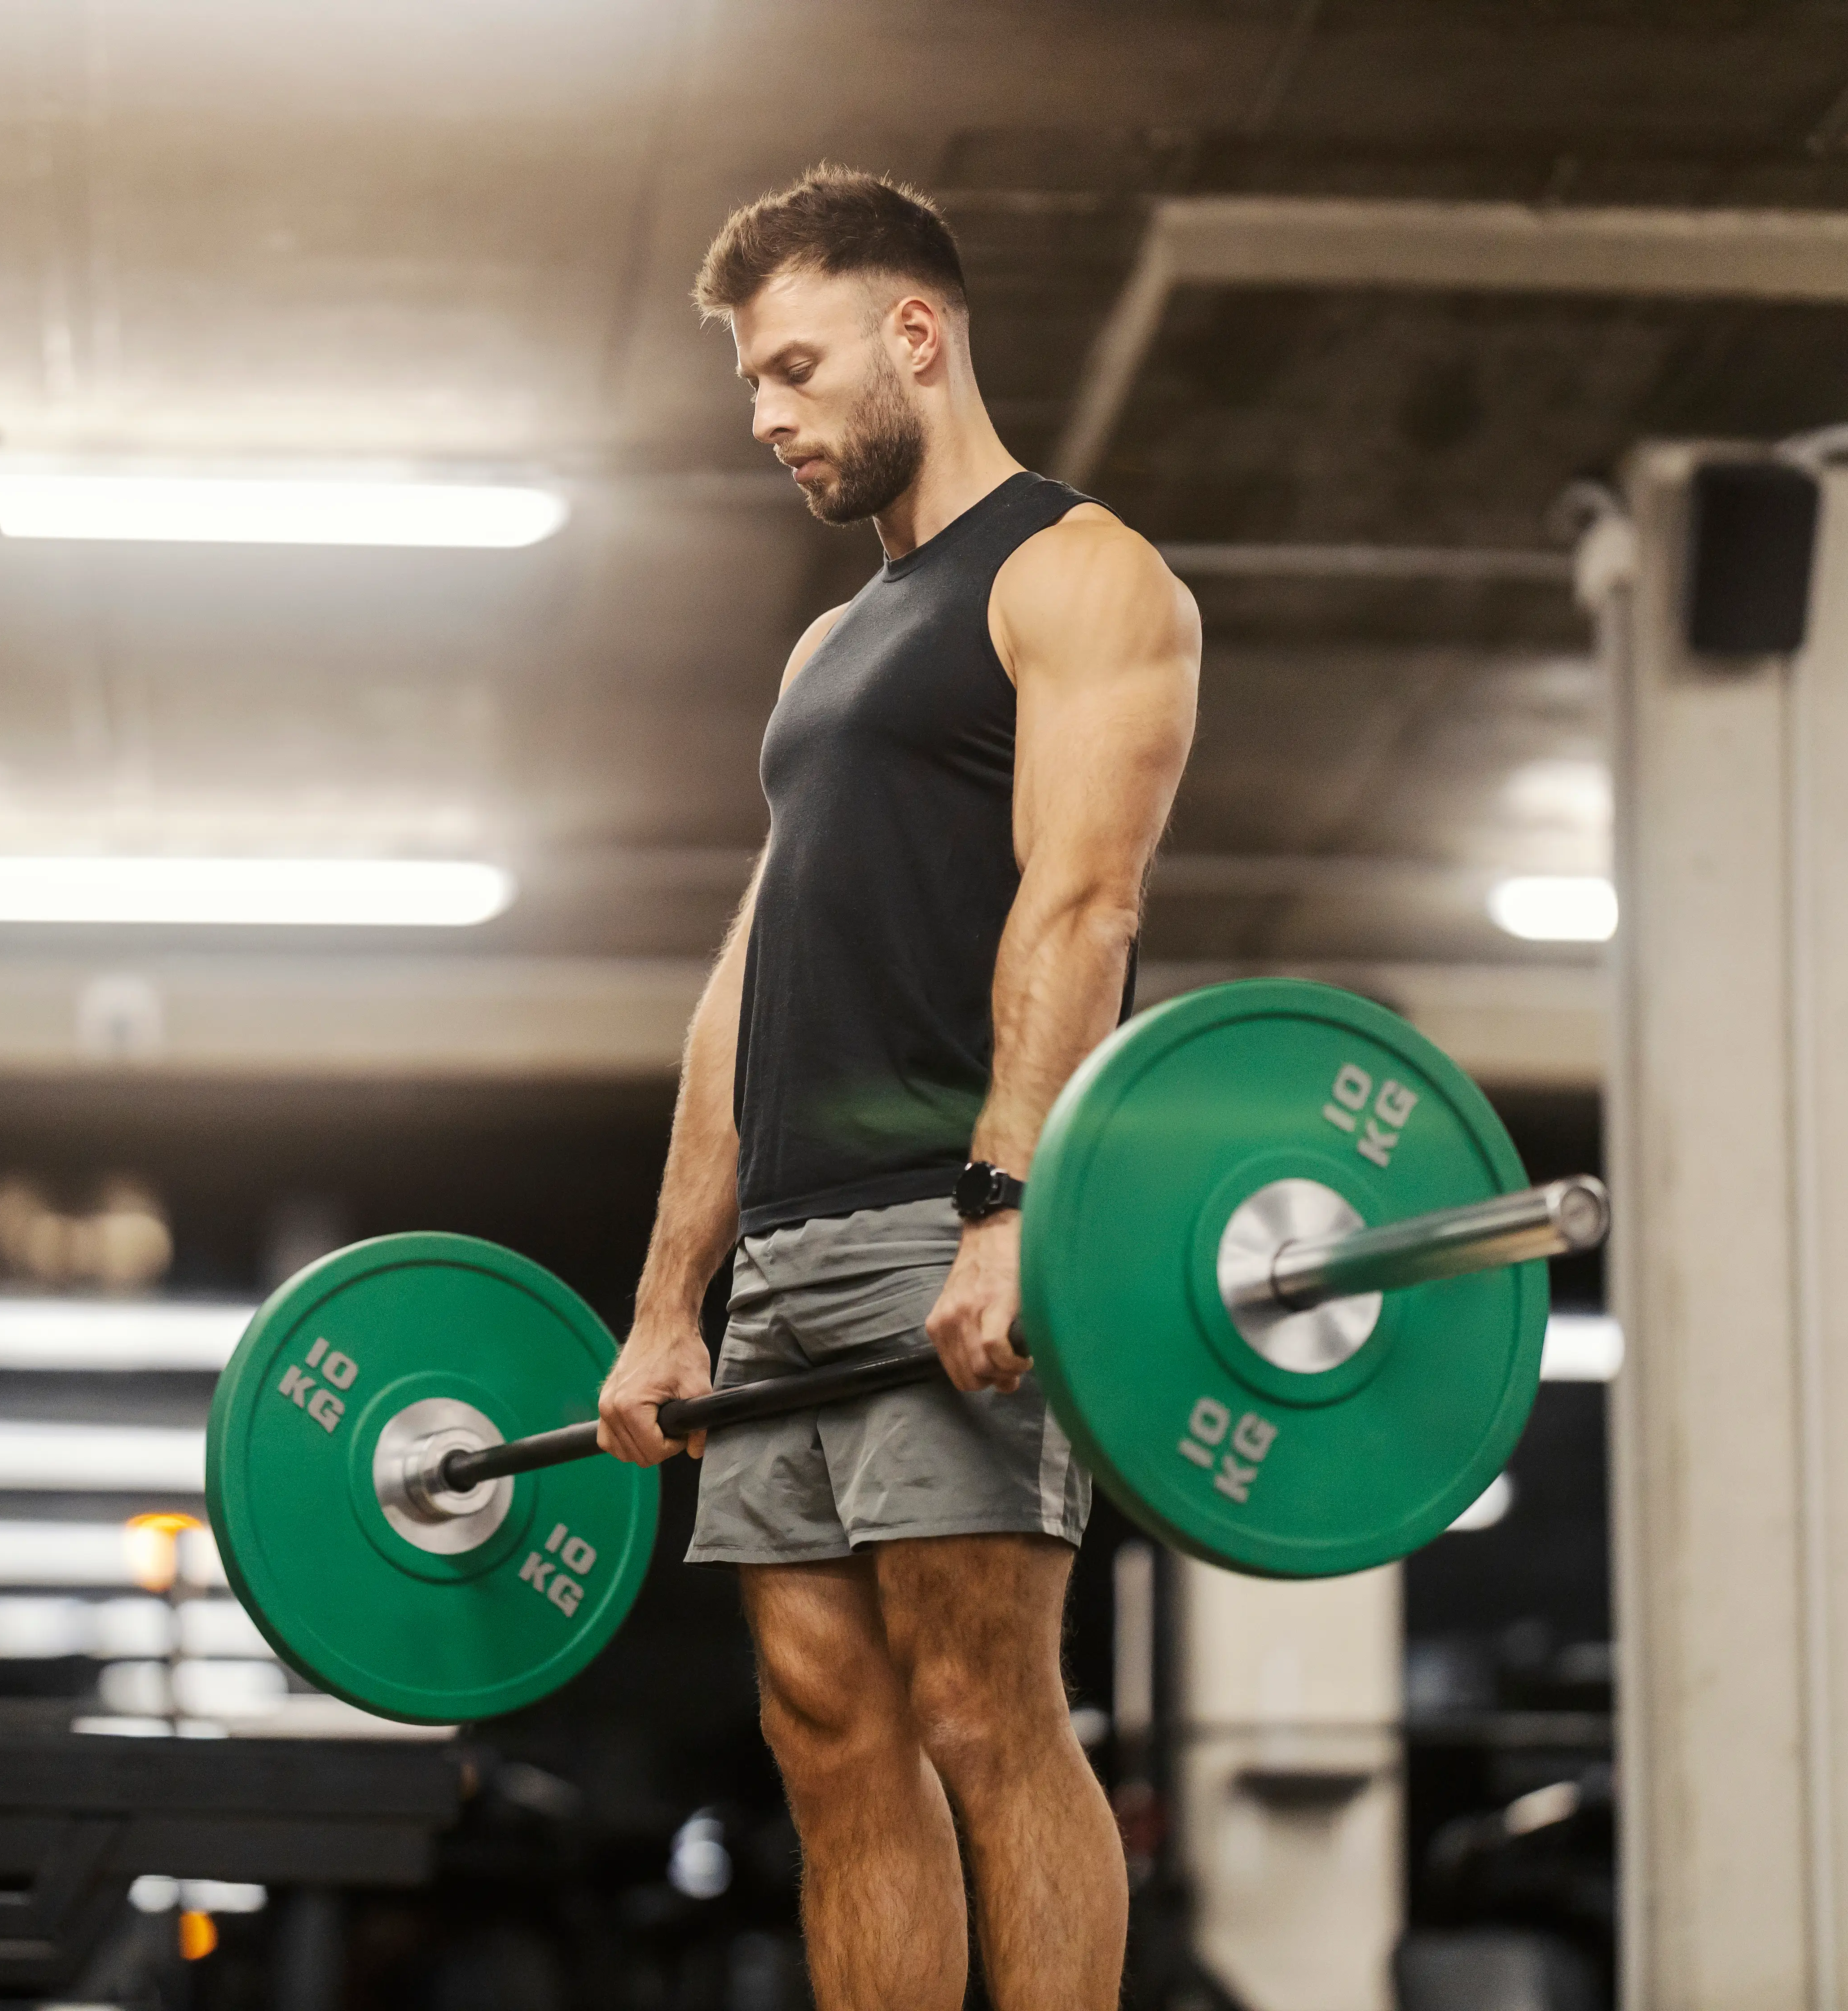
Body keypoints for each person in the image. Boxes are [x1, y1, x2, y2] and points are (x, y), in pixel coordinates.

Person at [595, 165, 1200, 2011]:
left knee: (977, 1703)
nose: (768, 415)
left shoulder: (1081, 577)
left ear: (914, 336)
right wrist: (664, 1304)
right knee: (826, 1724)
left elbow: (1084, 905)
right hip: (784, 1253)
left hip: (950, 1215)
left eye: (793, 366)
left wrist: (1014, 1210)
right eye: (751, 382)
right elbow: (749, 985)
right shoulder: (825, 649)